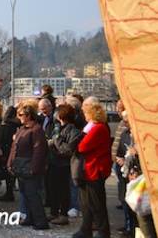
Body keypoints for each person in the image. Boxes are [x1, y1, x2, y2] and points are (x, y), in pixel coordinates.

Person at [8, 102, 50, 230]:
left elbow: (39, 151)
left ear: (28, 115)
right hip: (21, 166)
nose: (19, 117)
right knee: (25, 193)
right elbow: (14, 147)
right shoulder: (22, 128)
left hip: (30, 167)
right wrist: (10, 163)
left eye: (21, 114)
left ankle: (40, 221)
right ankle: (31, 217)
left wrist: (34, 168)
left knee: (33, 195)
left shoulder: (36, 130)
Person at [73, 101, 112, 238]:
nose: (84, 115)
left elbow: (82, 147)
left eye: (85, 113)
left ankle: (103, 231)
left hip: (94, 170)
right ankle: (86, 229)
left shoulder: (97, 128)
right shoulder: (94, 127)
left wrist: (82, 136)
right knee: (86, 204)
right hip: (89, 170)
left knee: (96, 204)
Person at [49, 103, 82, 226]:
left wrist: (56, 141)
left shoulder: (74, 131)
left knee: (63, 190)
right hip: (53, 162)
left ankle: (63, 214)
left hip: (64, 165)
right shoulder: (57, 128)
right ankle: (53, 212)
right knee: (53, 189)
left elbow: (67, 150)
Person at [0, 106, 19, 201]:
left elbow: (1, 140)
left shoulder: (4, 126)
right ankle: (10, 191)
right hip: (13, 150)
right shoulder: (17, 125)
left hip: (5, 151)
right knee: (11, 173)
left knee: (6, 172)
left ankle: (9, 193)